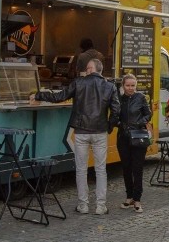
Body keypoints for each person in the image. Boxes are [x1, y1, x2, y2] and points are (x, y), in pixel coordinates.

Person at [31, 58, 119, 215]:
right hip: (99, 132)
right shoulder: (110, 86)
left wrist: (38, 94)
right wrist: (109, 127)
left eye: (87, 68)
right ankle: (100, 206)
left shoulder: (79, 83)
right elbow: (116, 111)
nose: (86, 70)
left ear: (91, 69)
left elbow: (60, 97)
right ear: (100, 70)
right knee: (100, 170)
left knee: (81, 169)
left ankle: (83, 205)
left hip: (81, 131)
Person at [116, 74, 152, 213]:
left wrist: (139, 123)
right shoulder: (119, 99)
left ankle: (137, 199)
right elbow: (114, 115)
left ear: (136, 86)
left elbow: (148, 114)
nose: (130, 88)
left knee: (137, 169)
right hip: (123, 137)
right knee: (126, 168)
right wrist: (120, 124)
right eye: (128, 85)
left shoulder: (141, 98)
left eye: (133, 85)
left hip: (138, 136)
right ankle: (129, 196)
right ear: (123, 86)